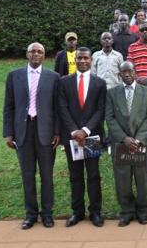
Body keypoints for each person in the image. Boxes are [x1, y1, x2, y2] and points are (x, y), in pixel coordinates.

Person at [3, 42, 60, 230]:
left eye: (40, 52)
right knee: (27, 175)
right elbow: (8, 107)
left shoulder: (53, 77)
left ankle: (47, 214)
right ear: (27, 54)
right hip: (23, 132)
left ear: (44, 56)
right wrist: (8, 133)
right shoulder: (14, 76)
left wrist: (57, 132)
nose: (36, 54)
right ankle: (30, 215)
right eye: (32, 51)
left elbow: (57, 108)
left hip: (45, 132)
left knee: (46, 176)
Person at [58, 47, 107, 227]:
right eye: (79, 58)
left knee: (93, 175)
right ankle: (77, 212)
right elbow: (62, 108)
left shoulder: (99, 83)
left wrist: (85, 130)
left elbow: (100, 110)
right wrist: (74, 131)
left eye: (86, 58)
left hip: (91, 136)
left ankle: (95, 212)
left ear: (91, 60)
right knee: (75, 176)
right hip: (71, 137)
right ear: (75, 60)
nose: (83, 61)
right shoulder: (63, 82)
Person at [105, 61, 147, 226]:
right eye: (123, 72)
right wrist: (124, 138)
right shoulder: (112, 93)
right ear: (119, 74)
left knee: (142, 179)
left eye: (130, 71)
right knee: (123, 180)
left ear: (135, 72)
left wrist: (138, 139)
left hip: (140, 143)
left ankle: (142, 211)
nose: (127, 74)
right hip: (121, 143)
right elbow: (110, 117)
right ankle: (126, 211)